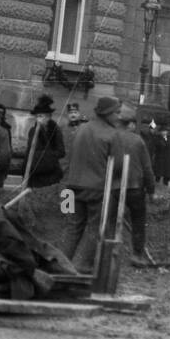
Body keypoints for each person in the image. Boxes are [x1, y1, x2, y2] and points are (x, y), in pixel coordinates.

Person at [61, 96, 123, 270]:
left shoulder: (81, 129)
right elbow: (118, 165)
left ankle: (59, 264)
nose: (119, 116)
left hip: (71, 186)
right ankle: (82, 266)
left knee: (72, 226)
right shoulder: (112, 134)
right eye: (116, 113)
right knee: (95, 227)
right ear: (107, 113)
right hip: (96, 188)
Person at [116, 105, 157, 262]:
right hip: (134, 188)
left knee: (110, 219)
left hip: (113, 188)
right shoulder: (137, 140)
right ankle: (137, 254)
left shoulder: (111, 137)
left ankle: (107, 251)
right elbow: (147, 169)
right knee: (138, 220)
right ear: (131, 124)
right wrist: (151, 190)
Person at [24, 94, 66, 188]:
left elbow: (61, 152)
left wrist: (46, 156)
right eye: (37, 116)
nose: (39, 119)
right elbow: (30, 151)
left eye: (41, 116)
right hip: (34, 175)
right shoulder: (33, 130)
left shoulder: (55, 130)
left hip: (49, 174)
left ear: (48, 117)